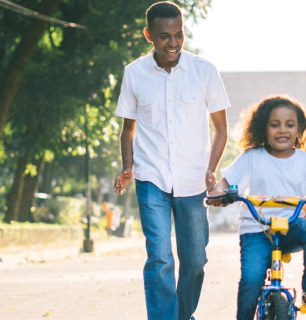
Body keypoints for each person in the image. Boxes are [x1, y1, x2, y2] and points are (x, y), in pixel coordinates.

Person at [112, 2, 231, 320]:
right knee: (160, 257)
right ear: (149, 35)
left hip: (194, 179)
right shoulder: (134, 74)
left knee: (194, 261)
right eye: (164, 36)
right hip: (151, 177)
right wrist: (127, 166)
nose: (174, 43)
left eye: (179, 34)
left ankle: (182, 315)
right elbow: (128, 130)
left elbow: (221, 128)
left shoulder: (204, 71)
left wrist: (210, 168)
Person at [209, 96, 306, 320]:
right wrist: (218, 193)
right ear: (262, 127)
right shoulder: (252, 157)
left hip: (291, 226)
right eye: (274, 125)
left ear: (299, 129)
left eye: (289, 125)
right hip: (256, 229)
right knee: (251, 280)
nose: (282, 130)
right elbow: (225, 184)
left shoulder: (305, 161)